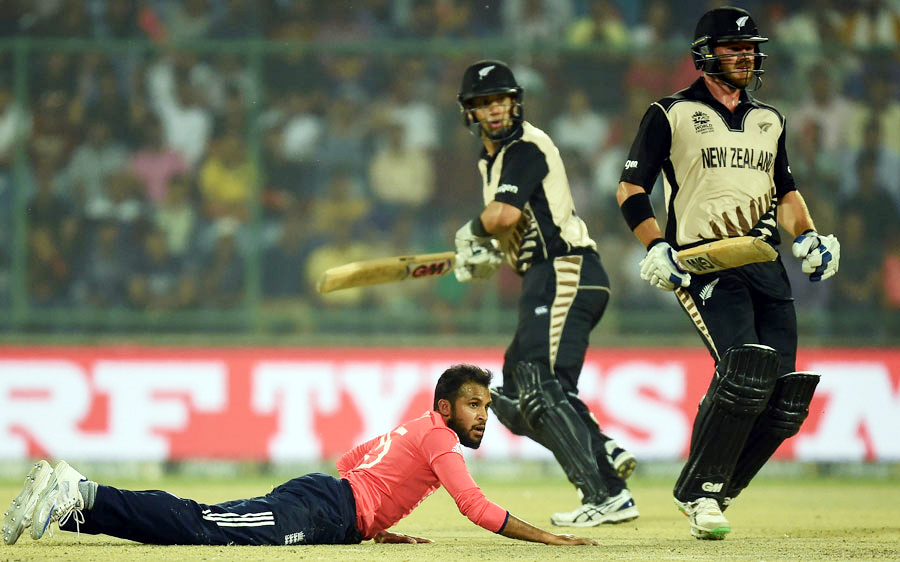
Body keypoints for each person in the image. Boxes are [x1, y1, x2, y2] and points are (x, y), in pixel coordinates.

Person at [615, 7, 841, 540]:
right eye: (733, 48)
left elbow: (785, 191)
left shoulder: (771, 120)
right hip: (706, 265)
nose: (745, 56)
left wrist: (807, 234)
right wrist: (656, 246)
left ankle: (712, 487)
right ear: (704, 53)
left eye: (750, 49)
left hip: (766, 264)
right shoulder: (667, 113)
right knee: (746, 373)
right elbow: (630, 189)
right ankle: (702, 494)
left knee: (784, 399)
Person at [2, 364, 599, 548]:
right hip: (320, 510)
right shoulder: (440, 436)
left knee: (202, 524)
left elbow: (352, 460)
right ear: (445, 408)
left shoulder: (418, 426)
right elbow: (473, 507)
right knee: (200, 526)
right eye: (473, 405)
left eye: (485, 407)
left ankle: (73, 504)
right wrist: (552, 542)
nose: (482, 416)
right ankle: (84, 493)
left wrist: (373, 523)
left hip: (329, 504)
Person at [452, 59, 638, 527]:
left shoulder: (524, 147)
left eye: (500, 100)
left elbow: (502, 217)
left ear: (515, 102)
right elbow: (513, 227)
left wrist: (473, 234)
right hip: (548, 276)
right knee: (513, 399)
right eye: (482, 103)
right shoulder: (490, 158)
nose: (494, 110)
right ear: (469, 112)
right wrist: (491, 253)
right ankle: (605, 463)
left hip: (565, 270)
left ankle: (601, 490)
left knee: (535, 380)